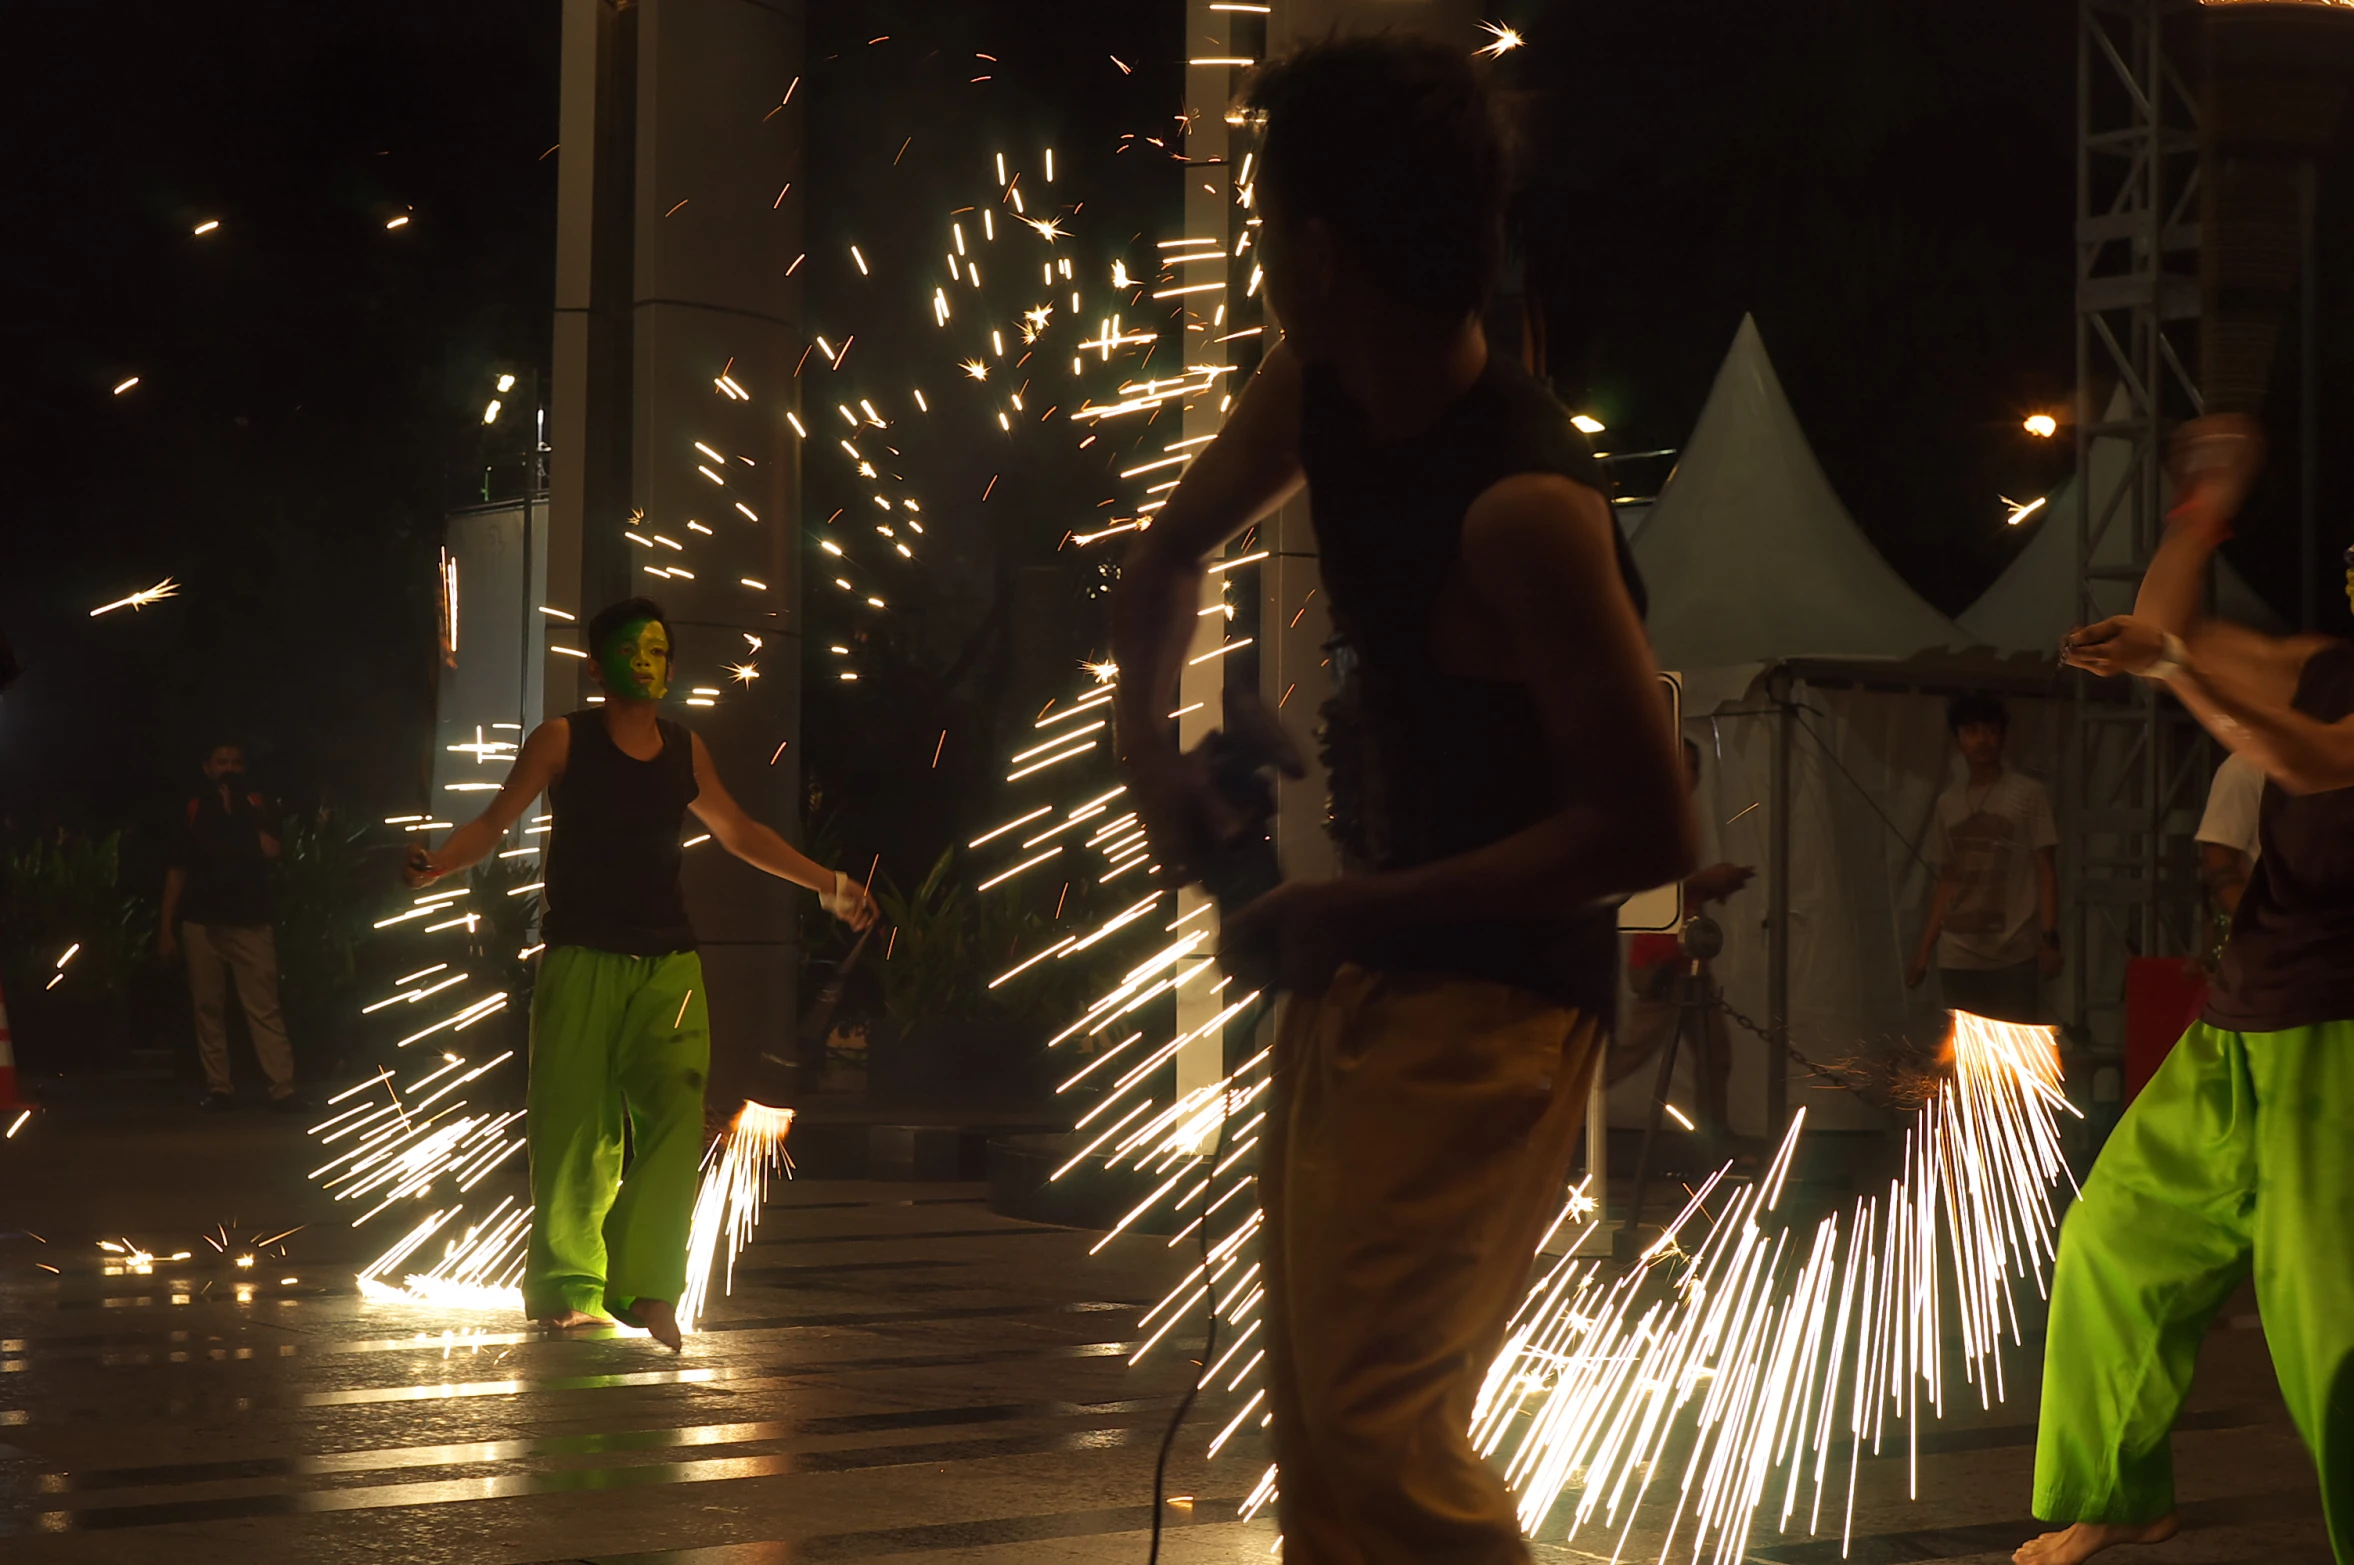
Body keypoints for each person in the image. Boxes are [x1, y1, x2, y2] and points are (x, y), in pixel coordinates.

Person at [1109, 38, 1693, 1565]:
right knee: (1318, 1418)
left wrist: (1356, 905)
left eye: (1255, 223)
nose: (1246, 256)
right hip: (1364, 965)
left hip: (1497, 1007)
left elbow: (1649, 831)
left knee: (1377, 1415)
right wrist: (1146, 752)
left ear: (1314, 249)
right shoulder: (1308, 390)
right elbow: (1163, 563)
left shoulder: (1525, 512)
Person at [2026, 412, 2354, 1564]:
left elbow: (2312, 759)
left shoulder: (2321, 703)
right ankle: (2119, 1489)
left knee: (2330, 1328)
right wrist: (2199, 509)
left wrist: (2172, 669)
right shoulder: (2318, 662)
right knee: (2112, 1243)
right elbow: (2168, 630)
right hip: (2240, 1022)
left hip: (2342, 1048)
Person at [406, 598, 876, 1351]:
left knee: (675, 1117)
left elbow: (740, 831)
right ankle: (569, 1288)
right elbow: (496, 821)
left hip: (669, 965)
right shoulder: (564, 740)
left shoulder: (685, 750)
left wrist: (828, 882)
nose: (648, 661)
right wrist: (439, 861)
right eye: (633, 648)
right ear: (598, 666)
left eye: (660, 648)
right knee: (576, 1132)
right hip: (582, 959)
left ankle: (646, 1285)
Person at [1610, 739, 1754, 1147]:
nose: (1687, 775)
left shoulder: (1675, 821)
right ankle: (1559, 1111)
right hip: (1660, 961)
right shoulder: (1653, 823)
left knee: (1714, 1057)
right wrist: (1706, 882)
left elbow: (1677, 892)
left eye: (1692, 767)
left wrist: (1712, 887)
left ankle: (1716, 1142)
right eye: (1680, 766)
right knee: (1628, 1054)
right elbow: (1649, 891)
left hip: (1687, 959)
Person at [1905, 693, 2061, 1023]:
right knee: (1968, 1055)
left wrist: (2049, 938)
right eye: (1972, 731)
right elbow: (1947, 880)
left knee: (2015, 1053)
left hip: (2014, 950)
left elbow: (2045, 868)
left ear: (2003, 736)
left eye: (1990, 731)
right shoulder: (1948, 803)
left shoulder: (2027, 794)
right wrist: (1923, 951)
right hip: (1958, 952)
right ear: (1958, 740)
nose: (1982, 740)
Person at [160, 740, 297, 1111]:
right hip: (202, 921)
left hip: (250, 920)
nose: (230, 768)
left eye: (236, 762)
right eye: (222, 762)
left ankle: (282, 1088)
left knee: (263, 1006)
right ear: (207, 767)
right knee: (208, 1006)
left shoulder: (257, 804)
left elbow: (273, 850)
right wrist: (166, 928)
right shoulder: (193, 808)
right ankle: (219, 1088)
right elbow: (177, 871)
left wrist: (237, 817)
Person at [2195, 749, 2264, 918]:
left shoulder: (2336, 766)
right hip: (2281, 932)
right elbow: (2217, 855)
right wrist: (2253, 923)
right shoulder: (2247, 765)